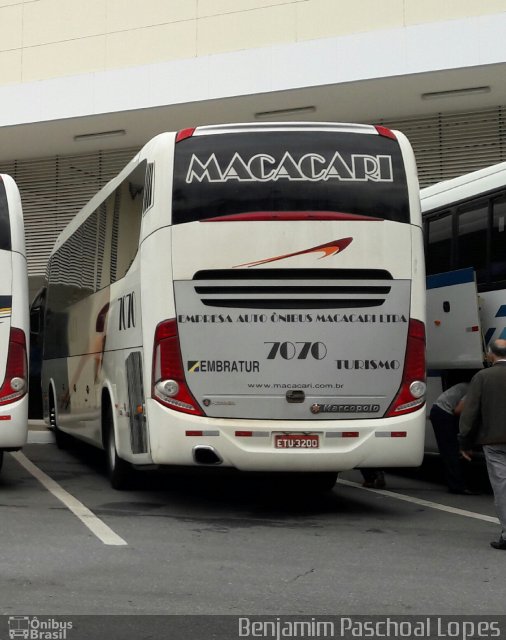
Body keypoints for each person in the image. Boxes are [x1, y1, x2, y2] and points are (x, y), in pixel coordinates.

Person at [459, 339, 506, 550]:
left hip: (494, 441)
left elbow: (470, 413)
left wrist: (465, 441)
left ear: (490, 355)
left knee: (502, 487)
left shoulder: (482, 377)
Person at [430, 381, 475, 494]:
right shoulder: (473, 390)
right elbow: (458, 410)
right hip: (444, 412)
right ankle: (457, 486)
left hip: (440, 409)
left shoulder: (470, 385)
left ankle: (455, 483)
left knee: (449, 449)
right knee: (450, 450)